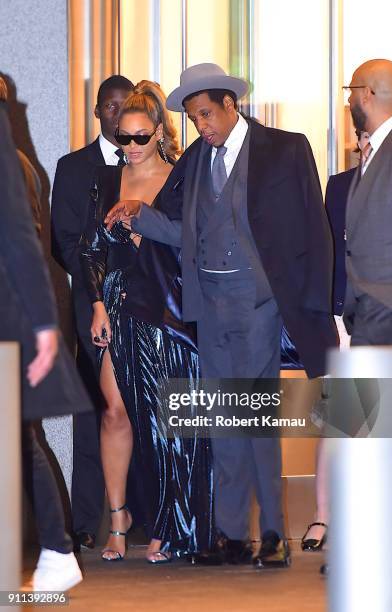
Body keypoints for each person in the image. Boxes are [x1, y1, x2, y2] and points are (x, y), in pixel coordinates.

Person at [106, 63, 338, 567]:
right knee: (225, 423)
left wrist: (317, 300)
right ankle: (233, 538)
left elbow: (313, 229)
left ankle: (274, 538)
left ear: (232, 104)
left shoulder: (285, 148)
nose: (202, 125)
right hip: (207, 309)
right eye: (193, 118)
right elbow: (181, 230)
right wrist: (137, 214)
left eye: (207, 114)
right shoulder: (195, 159)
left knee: (254, 422)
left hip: (258, 305)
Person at [80, 80, 213, 563]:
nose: (131, 148)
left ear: (159, 132)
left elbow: (195, 245)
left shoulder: (180, 178)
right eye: (123, 138)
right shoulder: (106, 179)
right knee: (114, 409)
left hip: (165, 306)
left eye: (140, 138)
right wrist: (97, 304)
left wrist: (146, 237)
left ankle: (166, 522)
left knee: (165, 418)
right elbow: (90, 248)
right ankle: (119, 520)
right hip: (116, 302)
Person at [0, 82, 93, 591]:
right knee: (17, 436)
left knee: (17, 435)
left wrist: (42, 327)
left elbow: (23, 239)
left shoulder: (13, 161)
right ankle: (57, 550)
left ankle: (58, 549)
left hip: (8, 318)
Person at [51, 75, 134, 549]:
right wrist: (96, 291)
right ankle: (86, 519)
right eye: (111, 106)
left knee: (142, 407)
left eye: (127, 106)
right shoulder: (73, 166)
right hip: (92, 306)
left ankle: (140, 514)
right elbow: (63, 240)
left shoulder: (150, 161)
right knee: (95, 411)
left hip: (144, 304)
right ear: (98, 110)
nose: (119, 114)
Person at [301, 130, 370, 552]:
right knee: (337, 421)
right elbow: (327, 252)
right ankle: (322, 516)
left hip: (391, 316)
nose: (368, 145)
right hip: (344, 316)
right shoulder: (340, 185)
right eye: (363, 138)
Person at [343, 59, 392, 345]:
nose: (348, 98)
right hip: (371, 317)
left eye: (350, 90)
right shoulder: (379, 147)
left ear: (367, 93)